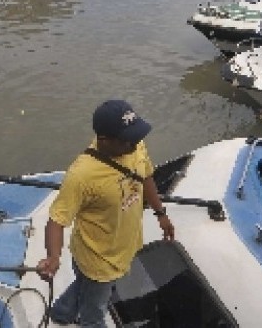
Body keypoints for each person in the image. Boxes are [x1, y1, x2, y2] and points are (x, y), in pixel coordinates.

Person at [37, 100, 174, 327]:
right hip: (97, 259)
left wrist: (161, 214)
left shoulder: (135, 145)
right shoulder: (81, 176)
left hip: (124, 247)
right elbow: (57, 220)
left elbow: (147, 177)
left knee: (87, 288)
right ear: (104, 140)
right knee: (95, 312)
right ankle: (66, 314)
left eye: (136, 135)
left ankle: (61, 313)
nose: (135, 143)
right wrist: (53, 257)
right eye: (126, 140)